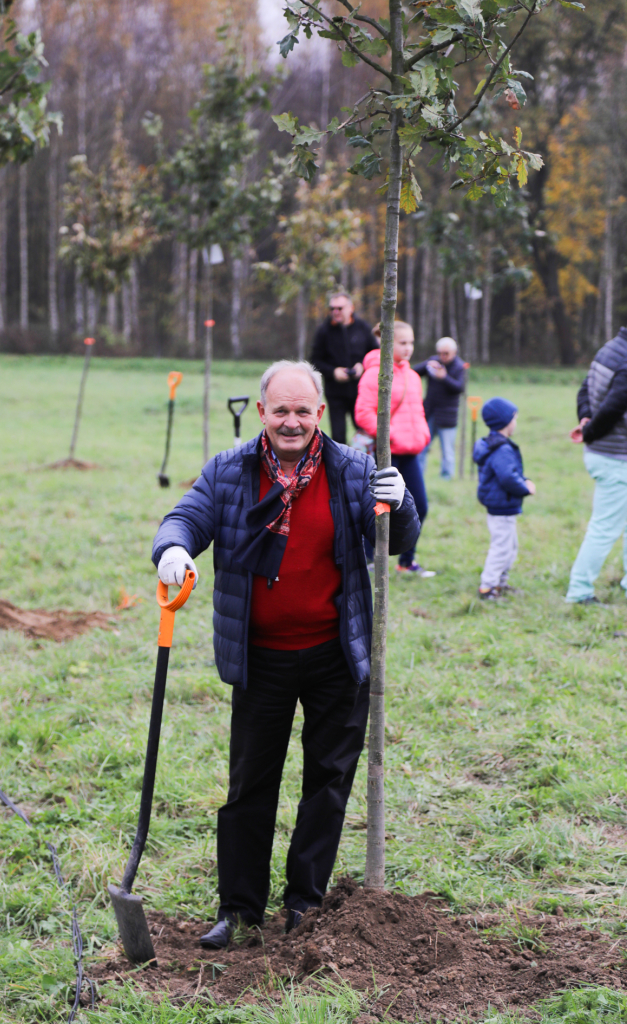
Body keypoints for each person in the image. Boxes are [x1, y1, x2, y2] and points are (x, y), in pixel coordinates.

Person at [152, 360, 420, 949]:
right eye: (281, 410)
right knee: (250, 785)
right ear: (262, 413)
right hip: (262, 658)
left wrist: (400, 504)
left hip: (336, 655)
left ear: (320, 413)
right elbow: (186, 516)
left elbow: (398, 542)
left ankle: (305, 903)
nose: (292, 421)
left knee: (327, 782)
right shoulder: (230, 471)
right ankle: (239, 907)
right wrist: (172, 549)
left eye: (303, 410)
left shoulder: (354, 470)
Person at [354, 320, 435, 578]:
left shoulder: (413, 376)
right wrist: (390, 437)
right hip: (388, 453)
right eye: (402, 342)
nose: (409, 348)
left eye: (411, 342)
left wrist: (423, 434)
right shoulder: (374, 374)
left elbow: (418, 411)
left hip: (411, 452)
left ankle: (407, 561)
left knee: (419, 505)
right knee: (379, 507)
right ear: (386, 342)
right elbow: (363, 413)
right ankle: (368, 559)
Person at [566, 327, 627, 605]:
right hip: (615, 457)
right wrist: (589, 431)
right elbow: (614, 408)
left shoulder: (612, 348)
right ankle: (579, 592)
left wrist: (585, 418)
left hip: (608, 453)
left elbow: (585, 390)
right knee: (604, 528)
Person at [473, 398, 536, 600]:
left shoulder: (493, 445)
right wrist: (525, 487)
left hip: (501, 504)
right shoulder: (502, 449)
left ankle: (500, 583)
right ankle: (487, 587)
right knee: (502, 548)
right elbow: (508, 477)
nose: (516, 422)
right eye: (514, 418)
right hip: (502, 505)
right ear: (506, 422)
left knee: (510, 547)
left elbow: (509, 472)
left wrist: (522, 479)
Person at [310, 291, 378, 444]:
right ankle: (340, 467)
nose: (335, 312)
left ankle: (369, 466)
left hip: (360, 391)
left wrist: (362, 366)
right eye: (332, 308)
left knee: (365, 434)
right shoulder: (324, 331)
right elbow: (315, 361)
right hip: (335, 392)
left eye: (340, 308)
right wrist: (333, 372)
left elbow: (375, 354)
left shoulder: (363, 328)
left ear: (351, 308)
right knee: (338, 437)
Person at [414, 337, 465, 479]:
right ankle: (418, 475)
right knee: (421, 447)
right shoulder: (434, 362)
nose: (443, 356)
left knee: (447, 450)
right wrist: (426, 364)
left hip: (447, 416)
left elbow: (460, 387)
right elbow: (413, 372)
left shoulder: (459, 367)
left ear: (454, 352)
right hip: (429, 412)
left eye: (446, 353)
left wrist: (444, 377)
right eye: (440, 353)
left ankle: (446, 477)